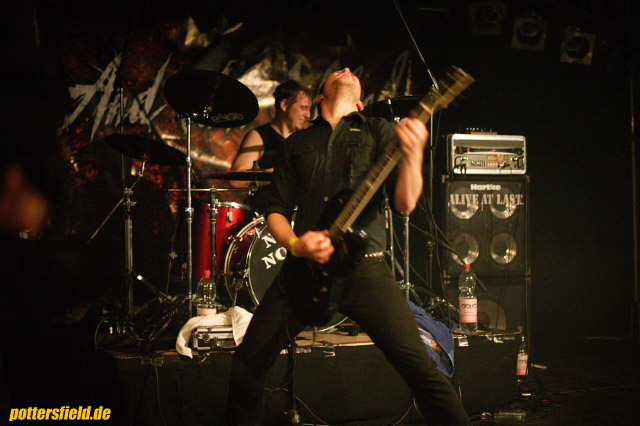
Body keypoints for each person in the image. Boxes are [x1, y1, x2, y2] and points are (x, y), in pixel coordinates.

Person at [225, 67, 471, 425]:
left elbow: (404, 204)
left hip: (365, 269)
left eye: (353, 72)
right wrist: (295, 245)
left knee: (421, 368)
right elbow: (276, 210)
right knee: (248, 360)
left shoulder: (379, 131)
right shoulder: (298, 143)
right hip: (304, 272)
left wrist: (414, 153)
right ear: (320, 97)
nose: (346, 69)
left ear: (360, 103)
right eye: (337, 71)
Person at [229, 79, 312, 213]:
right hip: (265, 213)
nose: (308, 115)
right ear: (284, 105)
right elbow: (236, 180)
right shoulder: (260, 136)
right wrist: (280, 172)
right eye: (304, 108)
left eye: (309, 109)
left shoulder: (304, 140)